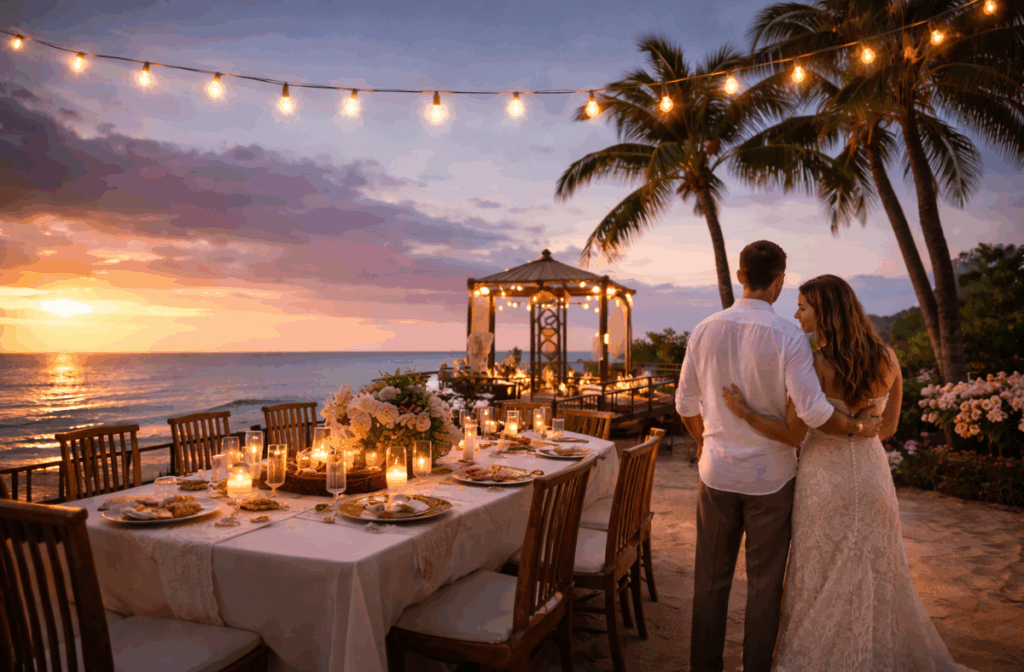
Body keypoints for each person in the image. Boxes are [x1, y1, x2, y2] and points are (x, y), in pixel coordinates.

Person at [721, 274, 973, 671]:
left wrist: (745, 413)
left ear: (826, 312)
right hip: (871, 474)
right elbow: (887, 429)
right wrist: (861, 423)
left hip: (824, 477)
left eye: (804, 306)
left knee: (818, 571)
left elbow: (799, 428)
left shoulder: (814, 362)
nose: (797, 313)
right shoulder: (888, 357)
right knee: (877, 568)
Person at [676, 241, 882, 672]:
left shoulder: (704, 329)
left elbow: (684, 404)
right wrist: (857, 428)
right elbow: (814, 412)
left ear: (740, 276)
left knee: (709, 582)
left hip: (716, 474)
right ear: (780, 280)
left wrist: (703, 442)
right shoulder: (790, 337)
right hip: (771, 477)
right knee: (765, 585)